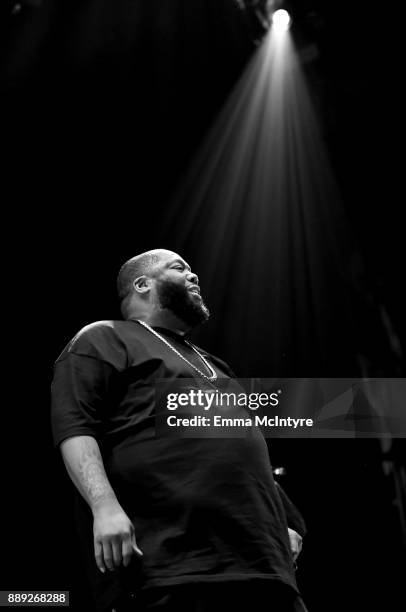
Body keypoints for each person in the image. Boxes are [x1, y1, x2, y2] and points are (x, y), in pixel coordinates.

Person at [51, 248, 307, 612]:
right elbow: (75, 425)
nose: (194, 276)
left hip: (265, 570)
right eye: (179, 268)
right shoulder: (104, 338)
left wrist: (283, 523)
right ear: (142, 284)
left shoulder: (215, 366)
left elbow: (243, 455)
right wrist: (104, 506)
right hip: (174, 566)